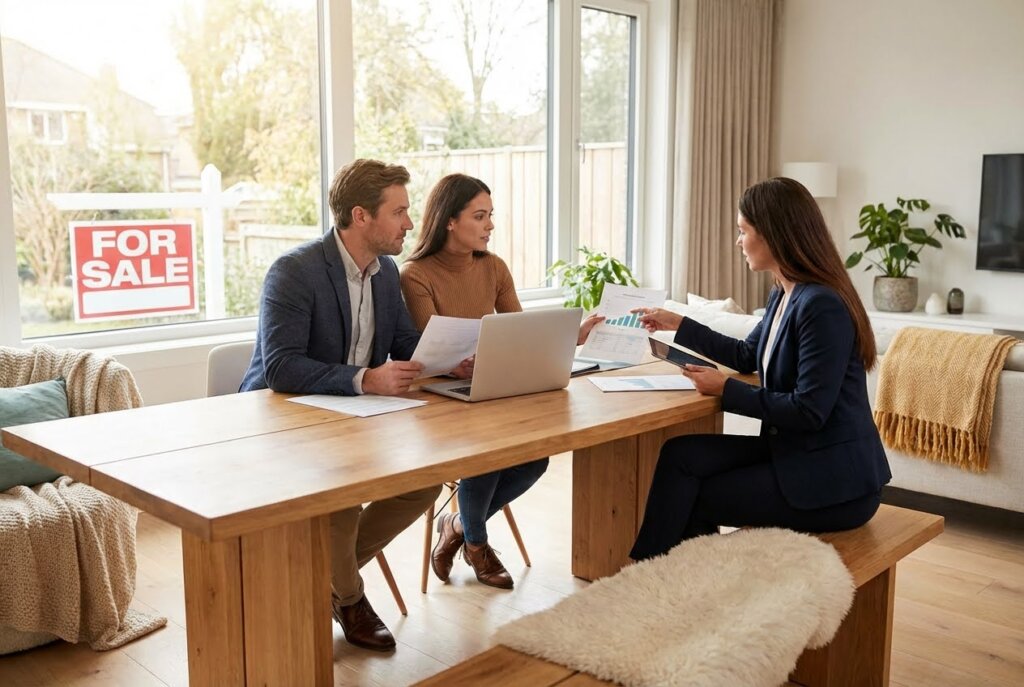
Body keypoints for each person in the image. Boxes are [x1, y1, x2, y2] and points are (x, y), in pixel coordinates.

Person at [628, 177, 891, 561]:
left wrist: (725, 390)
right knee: (680, 455)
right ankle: (653, 572)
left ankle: (663, 584)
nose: (738, 241)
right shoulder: (785, 291)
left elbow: (809, 411)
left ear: (772, 234)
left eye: (743, 231)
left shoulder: (821, 305)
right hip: (794, 452)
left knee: (695, 496)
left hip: (835, 481)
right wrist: (678, 323)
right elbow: (746, 354)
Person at [239, 159, 442, 653]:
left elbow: (402, 341)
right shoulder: (294, 271)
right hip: (282, 419)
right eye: (399, 212)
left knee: (425, 481)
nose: (410, 224)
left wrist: (450, 360)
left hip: (354, 420)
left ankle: (325, 580)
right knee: (338, 498)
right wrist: (365, 378)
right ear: (361, 216)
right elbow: (281, 368)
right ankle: (350, 598)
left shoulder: (384, 270)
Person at [400, 173, 602, 589]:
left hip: (486, 389)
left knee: (537, 458)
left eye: (491, 215)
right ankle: (477, 545)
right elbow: (429, 350)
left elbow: (518, 329)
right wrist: (461, 363)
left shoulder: (493, 267)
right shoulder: (415, 275)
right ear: (449, 221)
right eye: (480, 216)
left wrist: (571, 336)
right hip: (440, 398)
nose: (490, 225)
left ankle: (456, 524)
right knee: (485, 451)